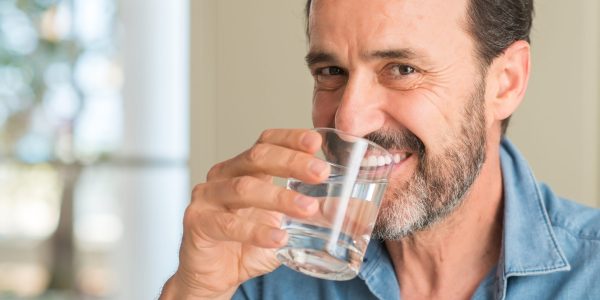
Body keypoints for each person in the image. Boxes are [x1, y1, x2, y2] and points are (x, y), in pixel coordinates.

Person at [160, 0, 600, 299]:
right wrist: (194, 290)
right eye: (331, 70)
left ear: (506, 82)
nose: (349, 120)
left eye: (402, 69)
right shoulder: (263, 273)